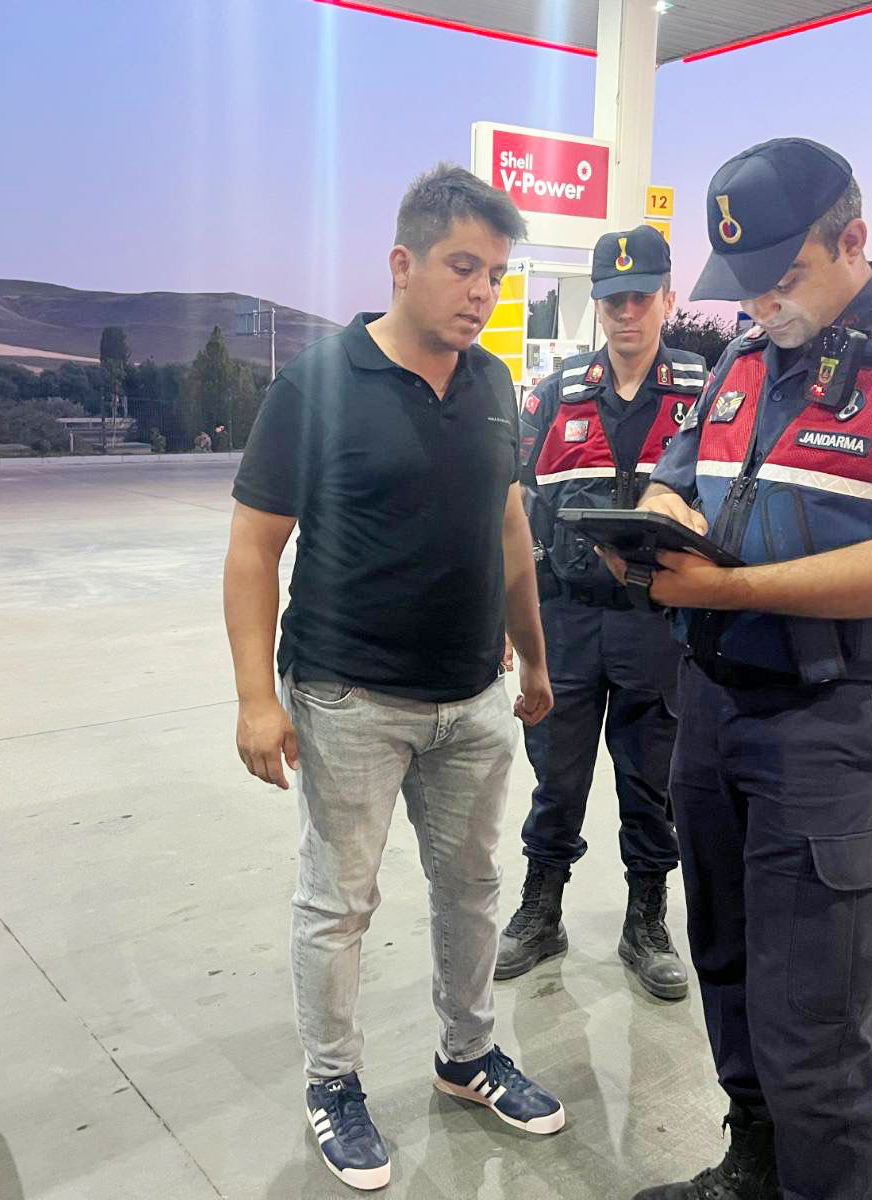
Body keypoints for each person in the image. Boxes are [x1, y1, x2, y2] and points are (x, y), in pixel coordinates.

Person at [601, 139, 872, 1200]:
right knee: (728, 964)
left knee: (813, 1021)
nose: (760, 304)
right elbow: (675, 477)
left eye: (782, 276)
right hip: (713, 708)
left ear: (854, 241)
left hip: (834, 723)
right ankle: (755, 1166)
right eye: (745, 283)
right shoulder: (744, 359)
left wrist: (728, 587)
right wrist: (655, 522)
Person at [222, 163, 566, 1193]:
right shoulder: (316, 385)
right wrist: (255, 699)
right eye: (463, 267)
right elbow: (253, 549)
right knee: (339, 904)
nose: (482, 292)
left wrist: (533, 654)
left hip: (472, 698)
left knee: (472, 889)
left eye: (495, 275)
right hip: (350, 699)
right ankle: (333, 1083)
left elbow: (509, 527)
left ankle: (468, 1056)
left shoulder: (494, 385)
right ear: (402, 264)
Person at [497, 225, 706, 1001]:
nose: (626, 313)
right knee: (556, 777)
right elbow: (515, 506)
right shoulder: (557, 395)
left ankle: (645, 921)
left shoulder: (704, 395)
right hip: (567, 621)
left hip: (658, 624)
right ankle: (541, 910)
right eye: (613, 300)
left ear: (667, 299)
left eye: (641, 297)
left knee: (651, 781)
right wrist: (507, 618)